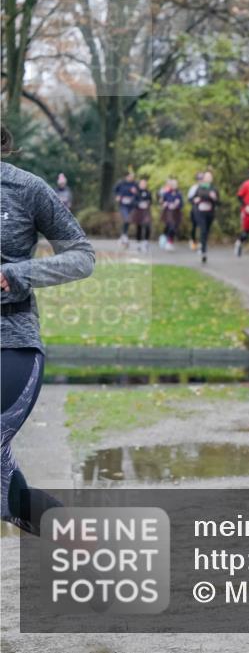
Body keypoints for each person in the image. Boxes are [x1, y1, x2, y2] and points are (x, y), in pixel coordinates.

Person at [1, 125, 96, 535]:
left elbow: (82, 256)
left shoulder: (24, 189)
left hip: (11, 345)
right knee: (5, 494)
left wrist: (18, 273)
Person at [191, 171, 219, 264]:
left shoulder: (214, 189)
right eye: (206, 177)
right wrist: (195, 200)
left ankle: (203, 245)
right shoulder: (199, 188)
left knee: (206, 231)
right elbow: (192, 199)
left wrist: (214, 198)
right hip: (200, 212)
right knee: (202, 230)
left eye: (209, 176)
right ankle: (204, 252)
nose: (208, 178)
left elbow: (218, 202)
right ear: (204, 178)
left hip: (210, 213)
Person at [113, 170, 139, 249]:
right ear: (126, 176)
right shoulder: (121, 183)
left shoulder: (135, 184)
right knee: (126, 219)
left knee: (128, 220)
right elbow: (114, 190)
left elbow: (139, 194)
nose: (132, 177)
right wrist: (117, 196)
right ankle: (124, 236)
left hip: (131, 205)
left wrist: (136, 192)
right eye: (130, 176)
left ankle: (123, 236)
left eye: (133, 176)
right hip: (123, 204)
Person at [159, 178, 184, 251]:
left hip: (176, 213)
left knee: (174, 228)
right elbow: (161, 202)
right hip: (168, 213)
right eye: (173, 184)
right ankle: (168, 241)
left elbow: (182, 204)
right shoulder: (166, 193)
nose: (174, 185)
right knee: (171, 226)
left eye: (175, 184)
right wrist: (165, 204)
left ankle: (168, 239)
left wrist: (177, 204)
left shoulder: (179, 194)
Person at [131, 177, 153, 252]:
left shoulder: (148, 192)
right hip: (138, 211)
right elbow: (133, 202)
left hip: (146, 211)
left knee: (147, 226)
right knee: (139, 227)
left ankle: (145, 242)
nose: (143, 185)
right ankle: (138, 243)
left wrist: (147, 203)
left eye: (145, 183)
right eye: (142, 183)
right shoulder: (136, 192)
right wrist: (139, 204)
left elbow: (150, 200)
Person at [187, 171, 203, 250]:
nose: (200, 180)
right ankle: (193, 241)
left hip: (203, 210)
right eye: (199, 179)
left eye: (201, 179)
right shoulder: (194, 188)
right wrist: (194, 200)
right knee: (194, 226)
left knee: (202, 226)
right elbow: (189, 199)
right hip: (195, 209)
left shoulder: (205, 187)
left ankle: (201, 242)